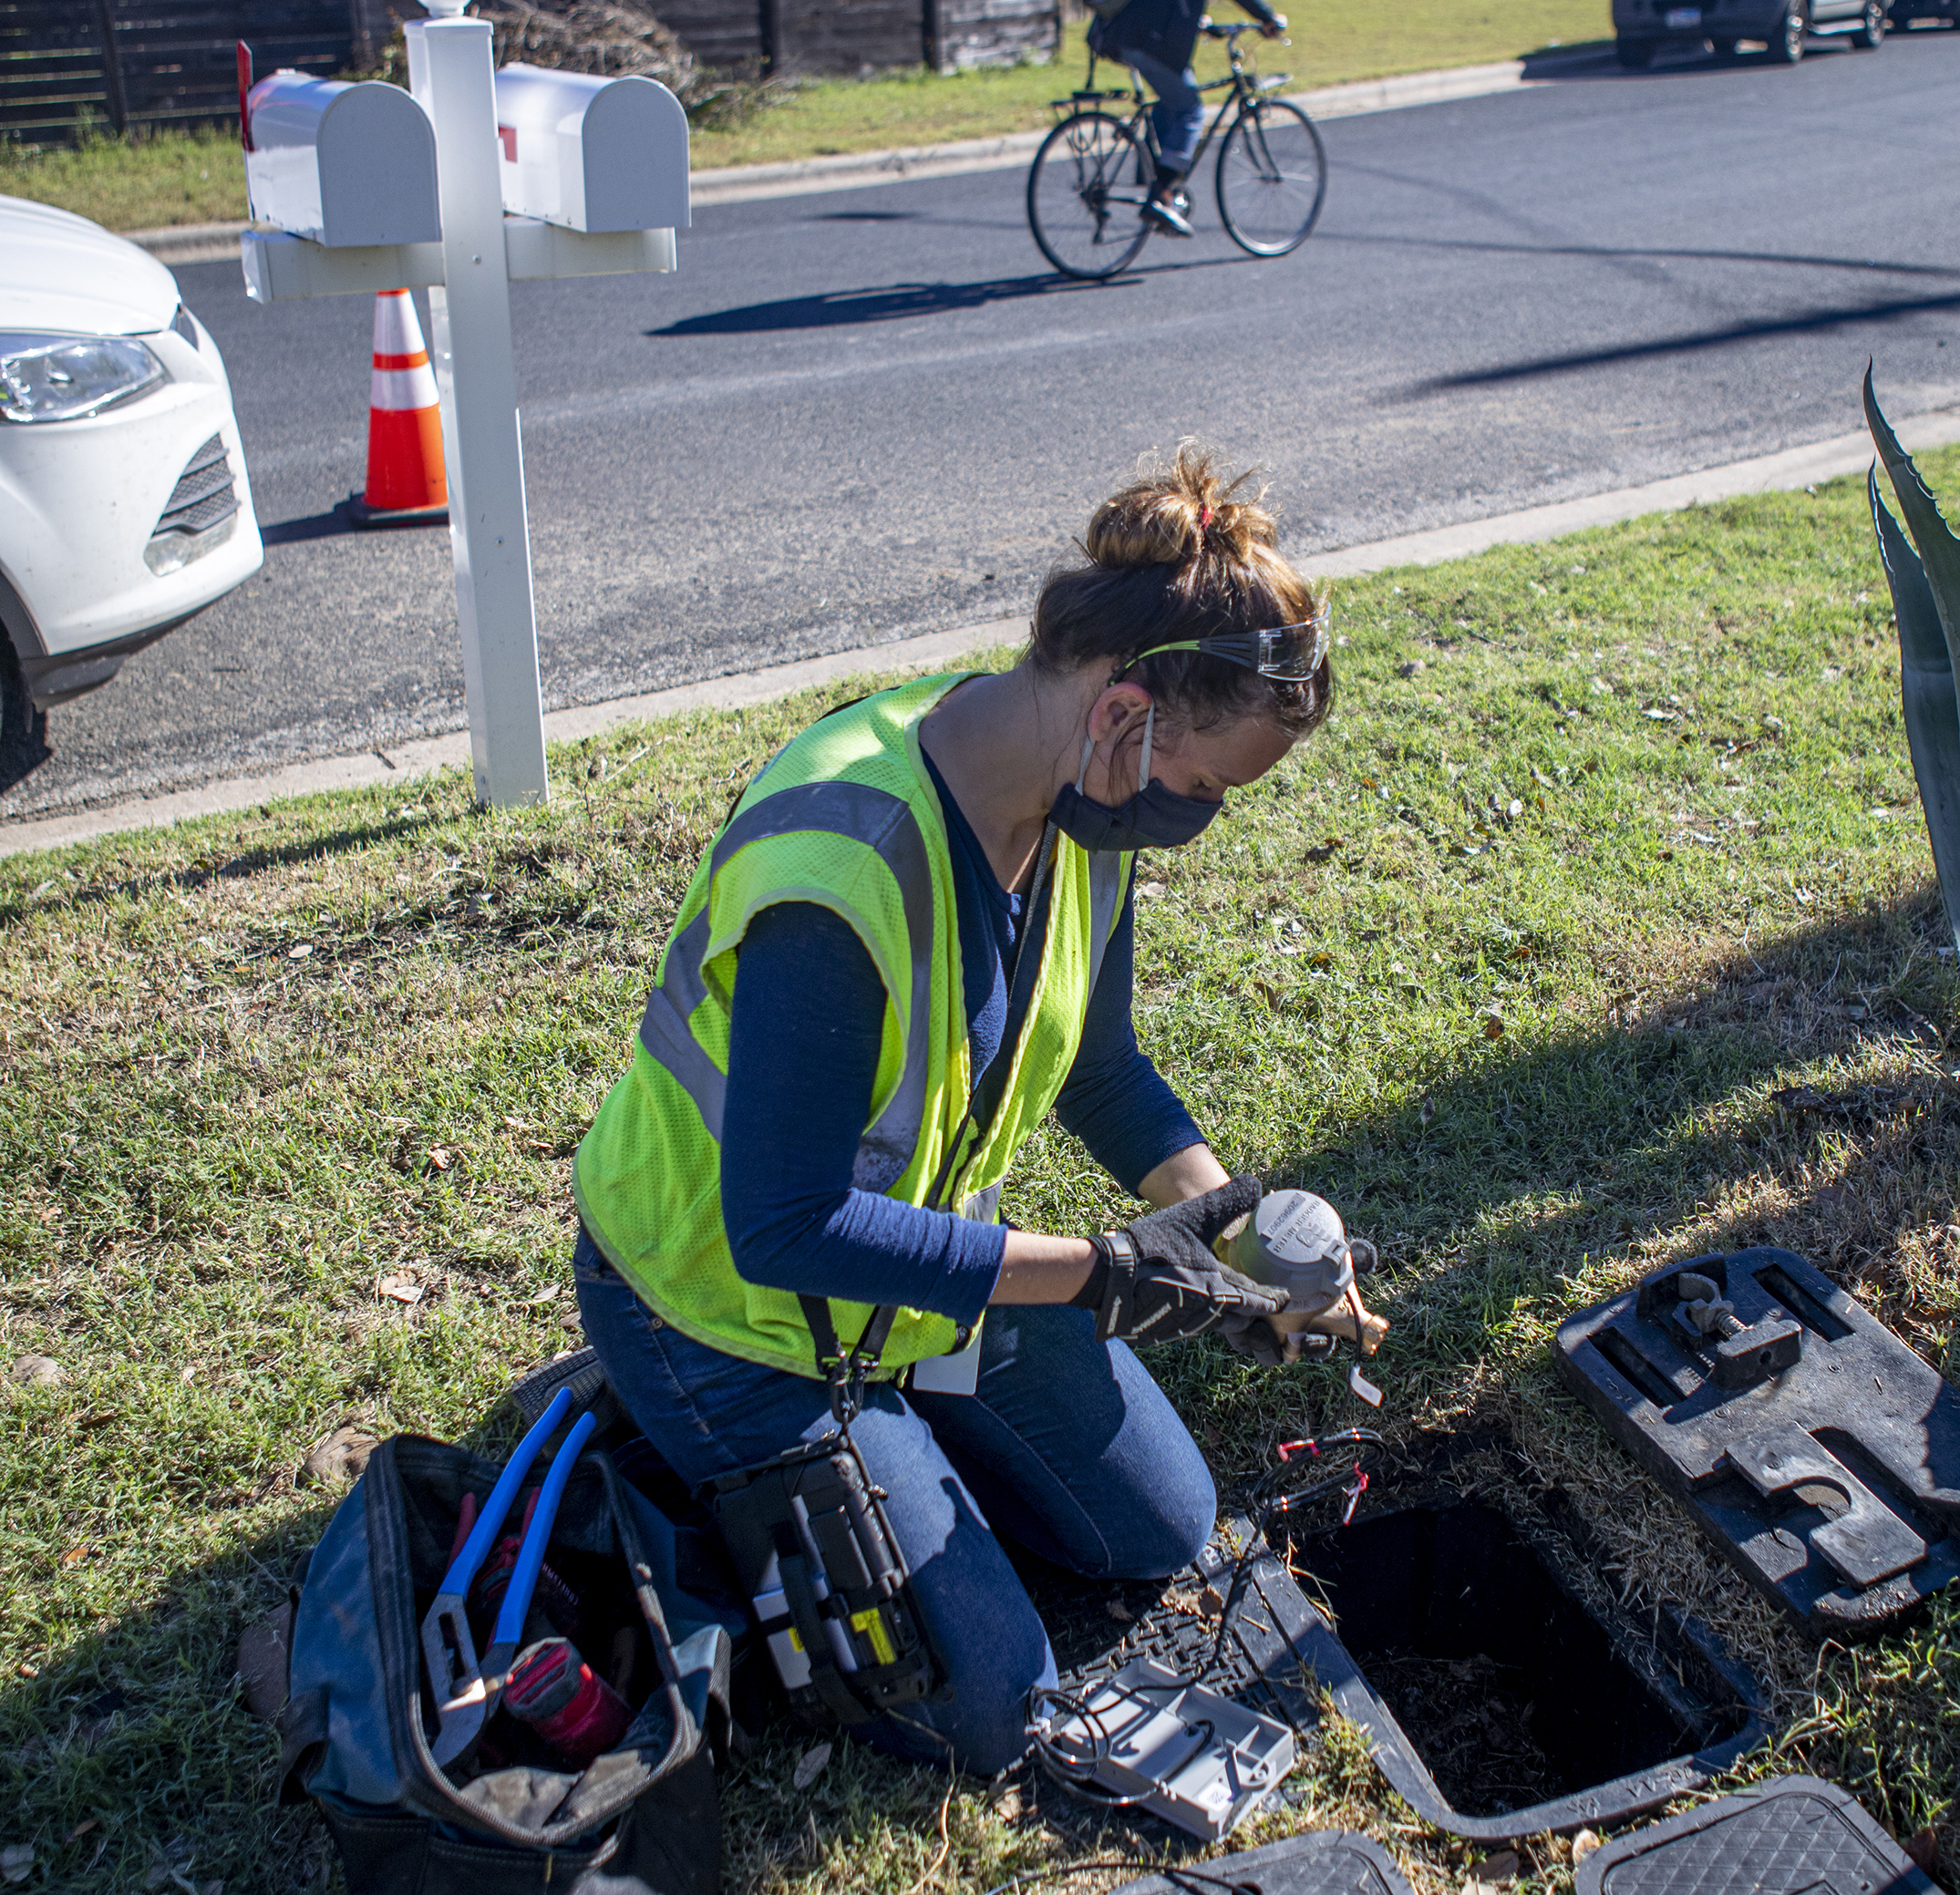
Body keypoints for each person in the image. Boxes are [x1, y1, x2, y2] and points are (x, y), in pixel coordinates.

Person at [570, 447, 1378, 1779]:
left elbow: (1101, 1068)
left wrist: (1231, 1240)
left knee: (1163, 1535)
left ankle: (894, 1442)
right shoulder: (841, 867)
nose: (1209, 820)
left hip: (913, 1289)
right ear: (1124, 716)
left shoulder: (1080, 808)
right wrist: (1104, 1281)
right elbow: (783, 1225)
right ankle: (681, 1458)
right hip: (723, 1309)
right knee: (1001, 1705)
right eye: (1214, 787)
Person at [1095, 0, 1287, 236]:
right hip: (1148, 40)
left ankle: (1159, 188)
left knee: (1173, 96)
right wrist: (1266, 16)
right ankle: (1161, 195)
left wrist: (1199, 23)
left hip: (1125, 32)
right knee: (1189, 108)